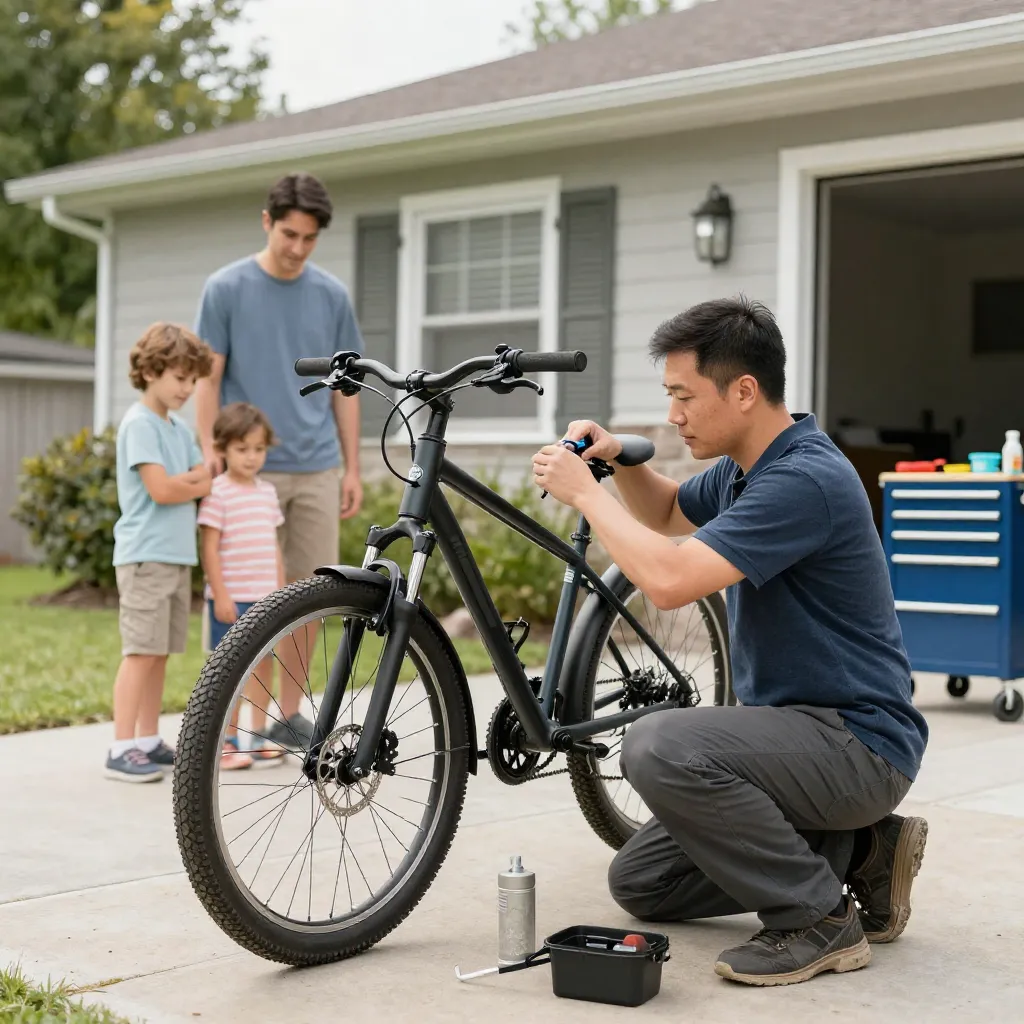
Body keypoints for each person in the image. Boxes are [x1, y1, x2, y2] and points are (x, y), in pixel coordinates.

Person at [531, 296, 929, 987]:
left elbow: (669, 578)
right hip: (797, 736)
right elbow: (662, 508)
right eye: (668, 397)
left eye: (685, 396)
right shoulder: (749, 468)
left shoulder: (804, 479)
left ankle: (818, 920)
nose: (674, 415)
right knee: (644, 883)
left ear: (743, 391)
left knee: (658, 745)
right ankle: (864, 848)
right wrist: (618, 456)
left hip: (858, 742)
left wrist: (586, 497)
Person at [193, 172, 366, 748]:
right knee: (248, 600)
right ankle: (239, 720)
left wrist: (353, 467)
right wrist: (209, 454)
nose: (297, 248)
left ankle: (289, 718)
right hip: (247, 469)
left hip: (316, 467)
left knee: (313, 597)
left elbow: (346, 388)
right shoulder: (225, 288)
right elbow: (207, 378)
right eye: (289, 234)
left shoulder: (331, 296)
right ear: (267, 222)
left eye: (309, 239)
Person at [108, 323, 213, 782]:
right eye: (178, 377)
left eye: (193, 380)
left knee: (161, 652)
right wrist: (186, 482)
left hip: (174, 556)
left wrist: (186, 482)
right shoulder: (139, 425)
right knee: (140, 652)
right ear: (150, 372)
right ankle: (120, 746)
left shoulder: (180, 429)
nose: (187, 388)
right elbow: (163, 489)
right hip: (145, 556)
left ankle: (147, 741)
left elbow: (204, 481)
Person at [197, 402, 288, 770]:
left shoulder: (267, 492)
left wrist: (282, 594)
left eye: (258, 449)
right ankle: (228, 739)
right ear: (222, 449)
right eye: (242, 449)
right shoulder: (217, 492)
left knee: (264, 665)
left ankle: (260, 734)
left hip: (265, 598)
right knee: (229, 671)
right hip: (231, 600)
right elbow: (209, 548)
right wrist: (220, 593)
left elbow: (274, 547)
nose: (251, 458)